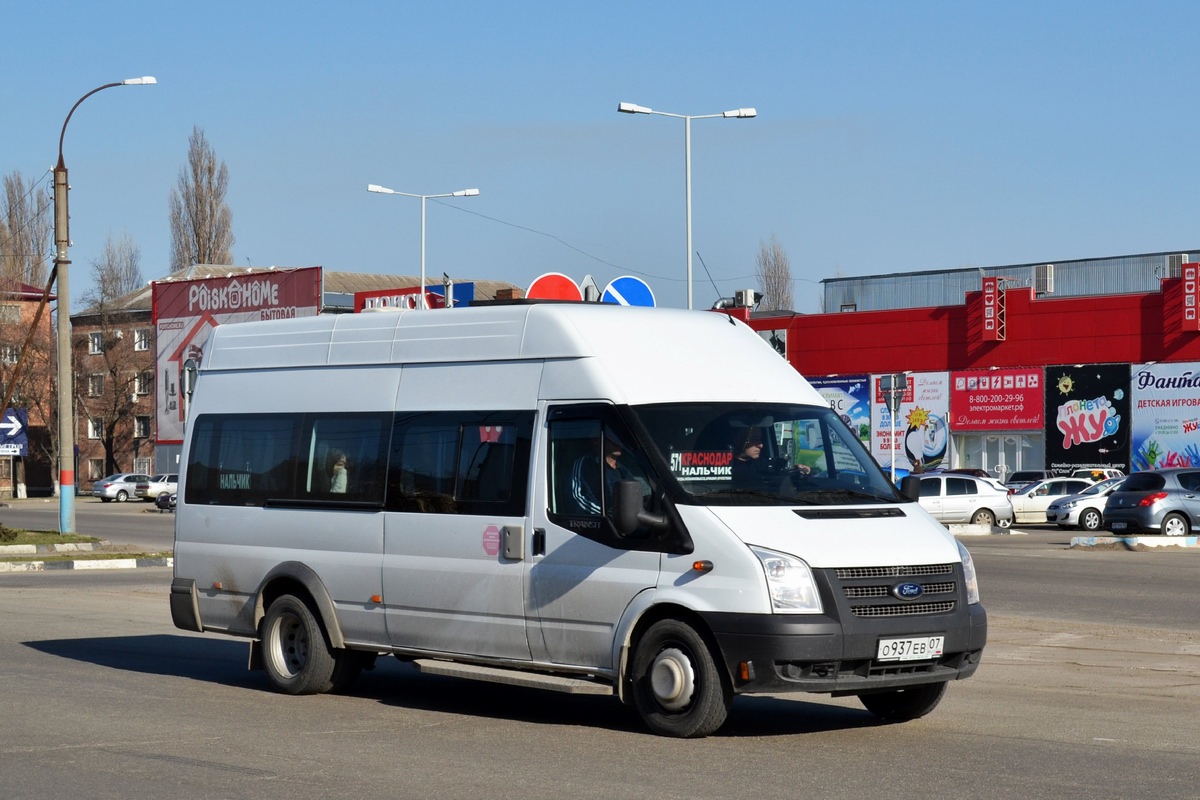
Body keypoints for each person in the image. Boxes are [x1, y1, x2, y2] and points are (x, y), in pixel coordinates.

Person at [571, 437, 634, 515]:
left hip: (622, 523)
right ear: (596, 440)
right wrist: (609, 514)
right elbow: (580, 496)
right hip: (595, 523)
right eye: (612, 438)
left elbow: (633, 501)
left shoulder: (624, 471)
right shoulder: (586, 464)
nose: (618, 442)